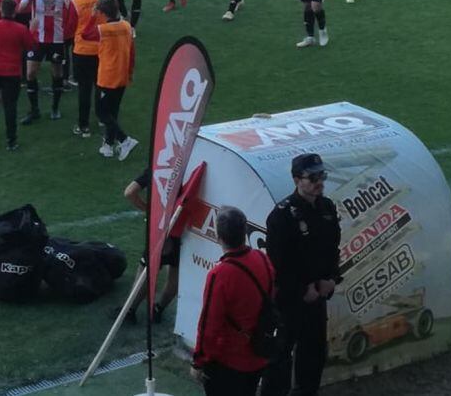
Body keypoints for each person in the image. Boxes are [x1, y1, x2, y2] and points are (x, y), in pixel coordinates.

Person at [262, 154, 341, 396]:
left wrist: (331, 279)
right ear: (297, 180)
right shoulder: (281, 216)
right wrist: (301, 289)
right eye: (313, 177)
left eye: (322, 176)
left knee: (314, 354)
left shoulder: (327, 208)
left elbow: (332, 250)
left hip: (317, 298)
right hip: (289, 301)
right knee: (280, 358)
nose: (319, 182)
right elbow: (278, 264)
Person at [190, 206, 274, 396]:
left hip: (229, 361)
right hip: (258, 354)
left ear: (219, 237)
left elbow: (209, 326)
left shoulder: (219, 274)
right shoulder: (262, 258)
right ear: (244, 232)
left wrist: (199, 361)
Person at [17, 0, 75, 123]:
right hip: (36, 37)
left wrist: (68, 5)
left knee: (57, 73)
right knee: (30, 72)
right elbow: (20, 8)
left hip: (57, 38)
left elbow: (73, 15)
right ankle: (34, 110)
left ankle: (55, 108)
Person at [122, 167, 182, 323]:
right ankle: (159, 309)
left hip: (161, 231)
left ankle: (130, 310)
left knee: (146, 271)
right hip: (182, 231)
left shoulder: (158, 165)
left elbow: (130, 192)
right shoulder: (189, 169)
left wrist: (148, 210)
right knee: (175, 273)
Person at [82, 0, 138, 160]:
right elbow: (132, 51)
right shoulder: (127, 26)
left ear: (103, 13)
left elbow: (85, 34)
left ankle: (124, 140)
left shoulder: (103, 30)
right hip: (122, 74)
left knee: (101, 112)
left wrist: (92, 16)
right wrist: (130, 72)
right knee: (113, 111)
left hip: (107, 76)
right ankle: (108, 145)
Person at [0, 0, 37, 150]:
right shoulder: (21, 29)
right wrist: (33, 30)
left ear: (1, 10)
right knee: (10, 106)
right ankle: (11, 140)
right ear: (15, 11)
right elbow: (31, 46)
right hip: (12, 73)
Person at [70, 0, 109, 138]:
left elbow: (70, 26)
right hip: (102, 48)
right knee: (101, 85)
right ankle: (102, 118)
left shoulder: (75, 2)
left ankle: (83, 125)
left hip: (82, 50)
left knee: (84, 89)